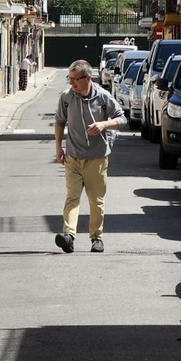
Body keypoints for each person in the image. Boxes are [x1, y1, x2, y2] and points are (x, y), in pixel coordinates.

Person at [53, 61, 125, 254]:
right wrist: (58, 147)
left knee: (96, 201)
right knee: (72, 197)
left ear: (87, 78)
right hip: (73, 158)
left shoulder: (103, 97)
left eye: (75, 79)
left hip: (97, 159)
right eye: (70, 79)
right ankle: (68, 236)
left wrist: (104, 125)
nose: (72, 83)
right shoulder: (66, 97)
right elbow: (59, 121)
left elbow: (121, 118)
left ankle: (96, 237)